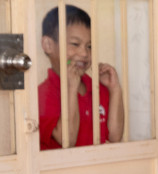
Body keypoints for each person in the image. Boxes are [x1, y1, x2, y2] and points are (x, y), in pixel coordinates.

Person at [38, 5, 124, 150]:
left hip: (94, 169)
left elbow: (115, 136)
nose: (84, 53)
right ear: (48, 45)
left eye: (89, 46)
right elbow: (67, 140)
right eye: (75, 44)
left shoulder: (95, 87)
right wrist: (72, 89)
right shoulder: (44, 93)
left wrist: (115, 90)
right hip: (60, 171)